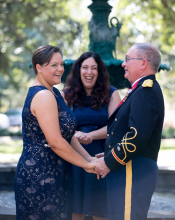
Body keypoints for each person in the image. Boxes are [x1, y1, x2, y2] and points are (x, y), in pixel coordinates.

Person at [14, 45, 98, 220]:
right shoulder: (43, 96)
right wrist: (85, 165)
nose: (60, 69)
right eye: (54, 65)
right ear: (39, 67)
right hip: (40, 174)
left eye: (61, 64)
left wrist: (88, 158)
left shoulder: (56, 93)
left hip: (55, 171)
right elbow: (55, 142)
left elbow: (66, 135)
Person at [95, 43, 165, 220]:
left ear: (143, 63)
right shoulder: (139, 90)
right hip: (127, 168)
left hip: (132, 171)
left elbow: (137, 136)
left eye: (127, 59)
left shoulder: (146, 91)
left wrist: (109, 162)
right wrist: (108, 155)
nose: (123, 64)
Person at [62, 51, 121, 220]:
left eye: (94, 68)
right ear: (78, 70)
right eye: (85, 67)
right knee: (75, 211)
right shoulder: (66, 95)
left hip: (100, 158)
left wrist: (90, 136)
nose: (89, 72)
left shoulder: (111, 93)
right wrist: (76, 135)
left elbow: (114, 126)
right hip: (73, 157)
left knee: (100, 210)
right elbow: (60, 127)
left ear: (99, 72)